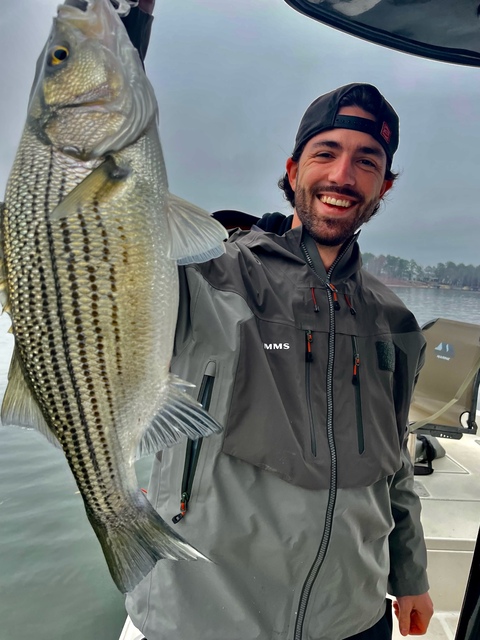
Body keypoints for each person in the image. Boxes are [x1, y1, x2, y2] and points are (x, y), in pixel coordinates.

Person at [122, 5, 434, 639]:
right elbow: (97, 199)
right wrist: (124, 27)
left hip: (354, 616)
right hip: (205, 615)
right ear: (294, 170)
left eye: (368, 161)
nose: (343, 176)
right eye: (327, 153)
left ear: (384, 188)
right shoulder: (204, 277)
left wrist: (413, 575)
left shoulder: (395, 322)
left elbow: (393, 464)